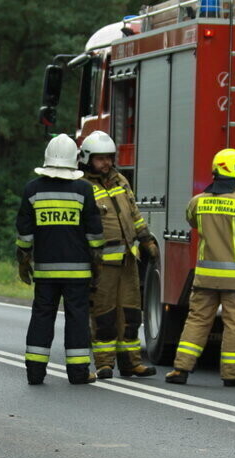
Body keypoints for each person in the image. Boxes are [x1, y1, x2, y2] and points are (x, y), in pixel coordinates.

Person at [165, 148, 235, 386]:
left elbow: (191, 221)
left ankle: (181, 368)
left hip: (204, 278)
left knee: (197, 320)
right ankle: (233, 374)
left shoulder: (197, 203)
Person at [16, 134, 104, 385]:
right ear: (73, 162)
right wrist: (97, 262)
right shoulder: (84, 189)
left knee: (42, 317)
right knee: (77, 319)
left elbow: (24, 232)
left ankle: (35, 373)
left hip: (45, 271)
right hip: (78, 273)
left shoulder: (32, 189)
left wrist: (24, 260)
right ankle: (78, 373)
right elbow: (94, 233)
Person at [79, 131, 158, 379]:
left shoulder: (121, 181)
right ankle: (104, 363)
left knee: (131, 313)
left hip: (127, 261)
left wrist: (145, 239)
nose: (106, 163)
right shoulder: (82, 187)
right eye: (101, 159)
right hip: (101, 264)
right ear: (88, 159)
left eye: (109, 158)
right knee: (104, 316)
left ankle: (131, 363)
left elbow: (134, 213)